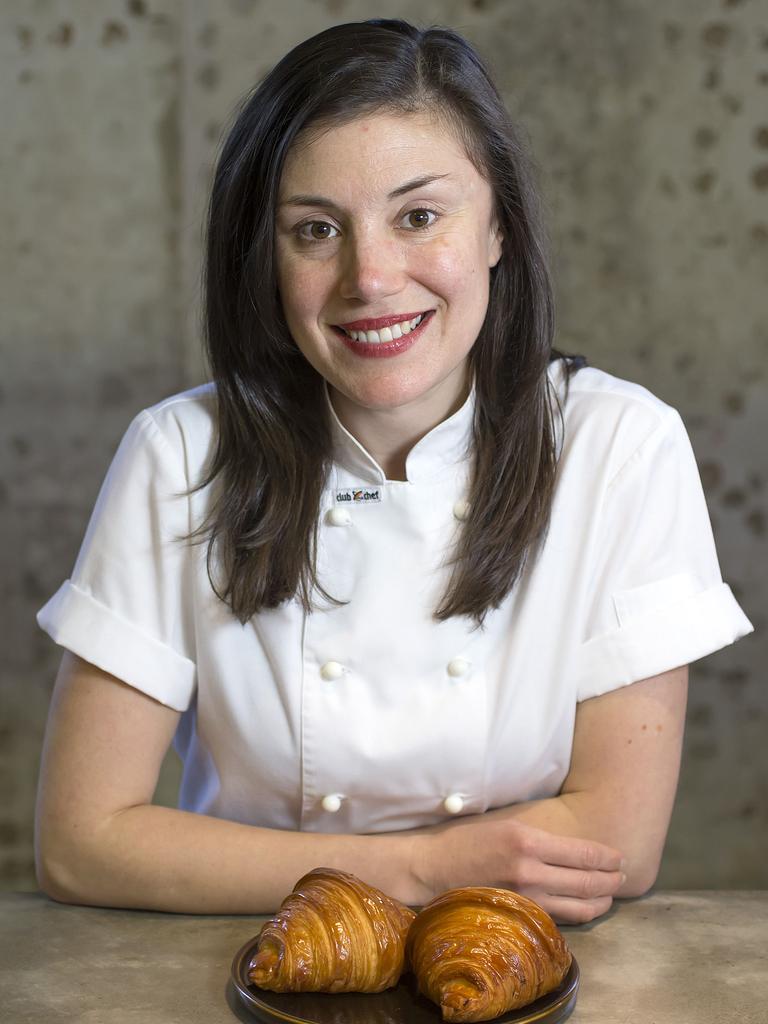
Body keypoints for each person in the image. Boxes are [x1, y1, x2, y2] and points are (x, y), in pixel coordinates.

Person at [34, 18, 752, 924]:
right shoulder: (177, 454)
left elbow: (616, 847)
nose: (369, 277)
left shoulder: (621, 446)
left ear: (499, 228)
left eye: (419, 216)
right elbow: (82, 841)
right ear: (266, 257)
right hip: (245, 969)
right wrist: (426, 867)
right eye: (315, 230)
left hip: (522, 972)